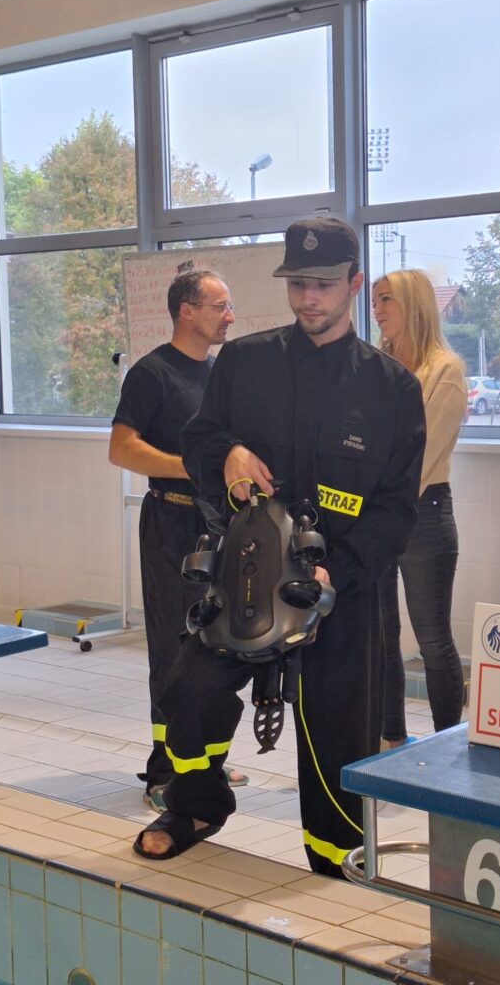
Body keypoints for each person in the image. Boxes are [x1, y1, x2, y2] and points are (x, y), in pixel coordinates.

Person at [132, 216, 426, 877]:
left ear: (353, 284)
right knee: (191, 689)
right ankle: (195, 806)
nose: (308, 299)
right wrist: (228, 453)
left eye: (323, 285)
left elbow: (395, 509)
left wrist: (334, 574)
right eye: (297, 284)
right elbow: (200, 441)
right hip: (245, 572)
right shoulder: (245, 362)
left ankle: (336, 855)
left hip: (341, 586)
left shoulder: (391, 389)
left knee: (336, 730)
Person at [109, 268, 249, 810]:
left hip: (217, 527)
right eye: (220, 306)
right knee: (172, 648)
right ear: (187, 311)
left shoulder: (219, 373)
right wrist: (188, 466)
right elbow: (121, 448)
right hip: (171, 522)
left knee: (214, 646)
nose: (229, 316)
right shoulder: (152, 373)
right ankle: (163, 770)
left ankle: (204, 761)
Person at [372, 269, 467, 737]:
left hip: (422, 513)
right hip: (374, 512)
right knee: (382, 636)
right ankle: (392, 738)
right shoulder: (375, 366)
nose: (377, 310)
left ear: (415, 304)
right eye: (374, 301)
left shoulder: (445, 369)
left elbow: (423, 456)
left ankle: (448, 743)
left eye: (386, 299)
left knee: (432, 640)